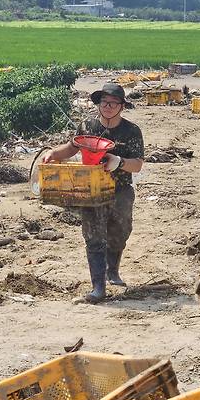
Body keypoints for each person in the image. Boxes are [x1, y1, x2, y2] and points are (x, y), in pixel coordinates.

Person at [42, 83, 144, 303]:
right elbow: (72, 148)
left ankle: (112, 270)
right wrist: (52, 153)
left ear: (121, 106)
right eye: (104, 102)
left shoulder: (131, 130)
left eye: (113, 103)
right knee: (94, 238)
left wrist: (119, 162)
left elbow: (138, 165)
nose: (107, 107)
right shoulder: (88, 125)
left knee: (120, 232)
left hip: (120, 190)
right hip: (91, 190)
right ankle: (98, 288)